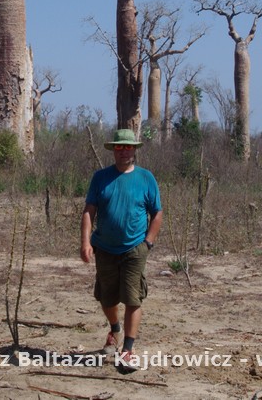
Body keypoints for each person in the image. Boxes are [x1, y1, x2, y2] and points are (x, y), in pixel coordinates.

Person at [80, 128, 163, 371]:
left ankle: (128, 348)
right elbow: (89, 211)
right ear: (113, 150)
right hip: (105, 248)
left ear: (134, 150)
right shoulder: (100, 177)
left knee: (132, 298)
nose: (123, 151)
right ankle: (114, 328)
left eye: (128, 147)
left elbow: (157, 213)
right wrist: (85, 242)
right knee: (107, 298)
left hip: (135, 249)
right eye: (119, 147)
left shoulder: (146, 178)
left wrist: (148, 242)